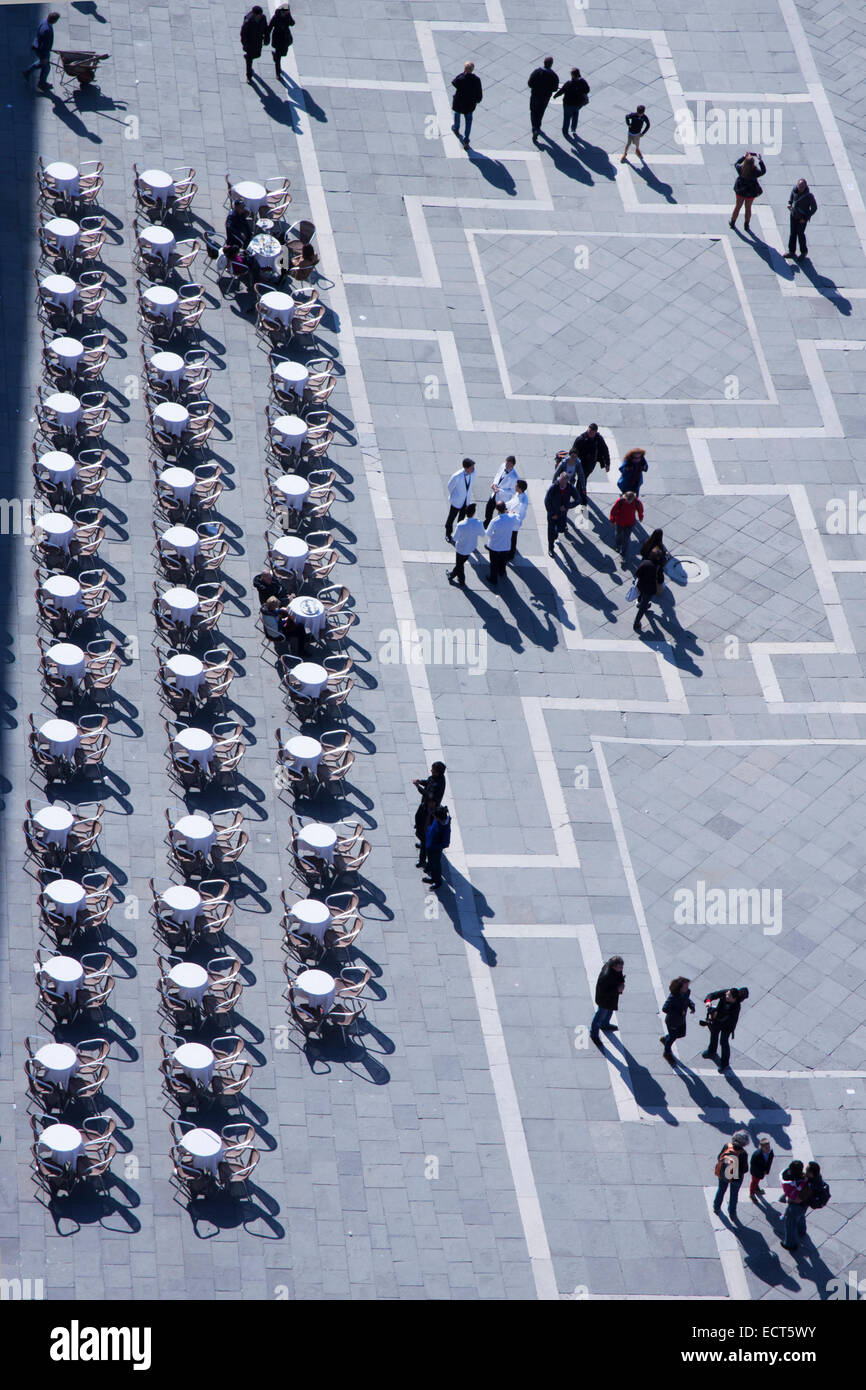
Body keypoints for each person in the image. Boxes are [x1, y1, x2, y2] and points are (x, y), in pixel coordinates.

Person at [701, 987, 748, 1073]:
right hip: (718, 1019)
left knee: (723, 1042)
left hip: (727, 1026)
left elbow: (733, 1021)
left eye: (728, 995)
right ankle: (711, 1051)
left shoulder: (736, 1007)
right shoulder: (726, 993)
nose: (726, 995)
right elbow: (712, 995)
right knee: (714, 1034)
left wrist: (728, 1029)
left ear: (734, 998)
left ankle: (724, 1063)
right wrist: (708, 1001)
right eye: (727, 993)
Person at [414, 762, 446, 866]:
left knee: (424, 833)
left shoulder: (438, 784)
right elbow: (428, 782)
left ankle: (422, 859)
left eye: (433, 770)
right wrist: (421, 782)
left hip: (428, 811)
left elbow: (429, 795)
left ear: (437, 772)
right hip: (425, 806)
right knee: (418, 822)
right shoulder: (435, 778)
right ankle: (423, 843)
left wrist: (418, 786)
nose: (431, 771)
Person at [713, 1131, 749, 1220]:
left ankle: (716, 1207)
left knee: (721, 1190)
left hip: (723, 1173)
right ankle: (732, 1212)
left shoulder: (727, 1146)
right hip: (736, 1178)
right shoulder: (743, 1153)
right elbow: (744, 1169)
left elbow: (719, 1157)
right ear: (744, 1143)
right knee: (734, 1195)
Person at [447, 504, 485, 586]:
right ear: (474, 513)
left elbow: (455, 538)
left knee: (459, 565)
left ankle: (460, 580)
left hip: (461, 548)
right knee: (460, 563)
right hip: (471, 547)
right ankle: (452, 575)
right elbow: (482, 534)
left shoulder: (461, 524)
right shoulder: (478, 523)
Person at [590, 956, 625, 1044]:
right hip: (604, 1000)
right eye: (620, 967)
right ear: (614, 966)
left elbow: (619, 975)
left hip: (610, 998)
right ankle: (594, 1034)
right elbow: (604, 992)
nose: (621, 969)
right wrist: (617, 989)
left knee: (609, 1012)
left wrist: (621, 981)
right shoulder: (606, 976)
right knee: (600, 1016)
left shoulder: (613, 969)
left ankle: (605, 1024)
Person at [660, 976, 695, 1062]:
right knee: (673, 1037)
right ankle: (667, 1052)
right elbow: (665, 1008)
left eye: (688, 986)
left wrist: (691, 1005)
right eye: (685, 986)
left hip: (682, 1020)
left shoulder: (687, 992)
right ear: (680, 988)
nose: (687, 988)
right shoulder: (673, 997)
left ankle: (666, 1038)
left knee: (682, 1034)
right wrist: (678, 1011)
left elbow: (687, 1000)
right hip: (673, 1021)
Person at [730, 151, 766, 232]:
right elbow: (763, 171)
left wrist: (744, 156)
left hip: (740, 191)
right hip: (751, 192)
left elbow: (736, 163)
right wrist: (760, 160)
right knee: (748, 208)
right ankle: (746, 225)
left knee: (738, 206)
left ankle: (732, 222)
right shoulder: (755, 172)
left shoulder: (740, 169)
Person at [23, 11, 60, 89]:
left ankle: (27, 72)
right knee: (46, 68)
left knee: (42, 64)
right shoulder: (47, 30)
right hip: (43, 51)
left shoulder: (44, 22)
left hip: (39, 47)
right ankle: (41, 84)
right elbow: (44, 45)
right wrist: (44, 57)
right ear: (55, 21)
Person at [780, 1160, 811, 1251]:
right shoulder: (804, 1178)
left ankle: (790, 1244)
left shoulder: (788, 1178)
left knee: (790, 1224)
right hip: (804, 1203)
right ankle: (802, 1231)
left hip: (794, 1204)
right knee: (801, 1216)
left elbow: (795, 1191)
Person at [451, 61, 482, 148]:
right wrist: (477, 100)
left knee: (457, 114)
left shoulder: (461, 78)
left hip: (459, 103)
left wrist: (463, 73)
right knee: (468, 122)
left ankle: (456, 128)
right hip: (469, 105)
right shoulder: (476, 80)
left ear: (465, 69)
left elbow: (454, 82)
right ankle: (466, 140)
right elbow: (479, 93)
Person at [785, 178, 817, 261]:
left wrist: (806, 218)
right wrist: (789, 203)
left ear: (805, 186)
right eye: (799, 186)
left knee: (800, 234)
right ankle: (791, 251)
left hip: (802, 218)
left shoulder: (809, 196)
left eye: (802, 186)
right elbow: (791, 198)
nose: (800, 188)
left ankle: (803, 252)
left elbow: (814, 208)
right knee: (792, 234)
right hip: (793, 215)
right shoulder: (794, 190)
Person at [528, 57, 559, 142]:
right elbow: (555, 88)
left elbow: (530, 83)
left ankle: (534, 128)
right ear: (551, 64)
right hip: (545, 97)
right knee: (540, 112)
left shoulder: (537, 72)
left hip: (535, 95)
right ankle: (537, 127)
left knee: (533, 111)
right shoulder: (554, 76)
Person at [609, 491, 643, 567]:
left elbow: (640, 510)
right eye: (627, 501)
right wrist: (612, 520)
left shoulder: (637, 502)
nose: (628, 502)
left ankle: (623, 554)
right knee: (618, 534)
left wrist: (641, 517)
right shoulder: (620, 501)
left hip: (630, 523)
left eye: (629, 501)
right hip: (620, 522)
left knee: (626, 539)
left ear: (633, 499)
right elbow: (613, 511)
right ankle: (618, 545)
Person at [554, 68, 590, 140]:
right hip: (578, 103)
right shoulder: (582, 82)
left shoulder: (569, 83)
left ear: (572, 75)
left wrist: (555, 95)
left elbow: (562, 91)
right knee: (575, 115)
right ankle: (573, 128)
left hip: (568, 103)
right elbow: (587, 90)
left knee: (567, 117)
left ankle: (565, 131)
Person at [544, 474, 575, 557]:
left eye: (563, 482)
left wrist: (567, 506)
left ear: (566, 482)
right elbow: (547, 501)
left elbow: (578, 499)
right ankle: (551, 548)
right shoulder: (553, 487)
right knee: (550, 531)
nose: (560, 483)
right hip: (552, 513)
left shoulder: (570, 487)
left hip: (562, 514)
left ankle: (556, 532)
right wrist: (552, 513)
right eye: (560, 480)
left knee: (561, 529)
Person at [633, 547, 662, 634]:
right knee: (643, 605)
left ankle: (643, 606)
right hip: (649, 589)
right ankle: (636, 623)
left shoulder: (645, 563)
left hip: (641, 585)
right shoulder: (658, 567)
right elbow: (660, 579)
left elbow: (637, 573)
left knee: (642, 597)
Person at [445, 458, 476, 542]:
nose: (473, 469)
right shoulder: (457, 476)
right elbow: (450, 486)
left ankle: (459, 534)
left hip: (466, 501)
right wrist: (455, 495)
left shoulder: (473, 473)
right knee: (451, 518)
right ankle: (448, 534)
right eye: (472, 467)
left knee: (461, 519)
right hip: (457, 501)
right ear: (466, 468)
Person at [484, 456, 520, 526]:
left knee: (500, 515)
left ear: (512, 465)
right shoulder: (503, 465)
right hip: (494, 493)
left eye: (508, 465)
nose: (506, 466)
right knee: (489, 507)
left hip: (503, 498)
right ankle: (487, 523)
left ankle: (497, 527)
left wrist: (500, 490)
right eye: (506, 463)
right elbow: (498, 475)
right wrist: (494, 483)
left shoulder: (514, 477)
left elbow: (513, 491)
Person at [572, 422, 610, 487]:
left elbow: (605, 450)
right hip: (581, 461)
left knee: (583, 477)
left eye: (592, 432)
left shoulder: (598, 439)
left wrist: (607, 463)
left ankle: (580, 492)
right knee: (579, 477)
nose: (590, 434)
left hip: (591, 463)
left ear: (595, 432)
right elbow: (573, 450)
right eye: (589, 431)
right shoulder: (581, 439)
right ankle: (579, 492)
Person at [485, 503, 514, 585]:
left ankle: (493, 579)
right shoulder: (512, 518)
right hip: (506, 545)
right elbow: (515, 516)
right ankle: (501, 572)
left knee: (493, 563)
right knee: (503, 560)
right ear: (505, 508)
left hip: (495, 546)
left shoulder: (495, 521)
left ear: (497, 510)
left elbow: (488, 533)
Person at [422, 805, 451, 889]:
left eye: (435, 816)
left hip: (435, 850)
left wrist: (434, 846)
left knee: (436, 866)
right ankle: (431, 873)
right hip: (430, 845)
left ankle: (437, 881)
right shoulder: (439, 820)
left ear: (439, 818)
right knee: (431, 862)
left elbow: (446, 843)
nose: (433, 816)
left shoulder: (445, 829)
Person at [241, 5, 270, 84]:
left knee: (257, 55)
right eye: (258, 15)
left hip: (258, 41)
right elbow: (243, 33)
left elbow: (266, 29)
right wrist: (245, 44)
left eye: (260, 14)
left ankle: (247, 57)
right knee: (249, 61)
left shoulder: (263, 18)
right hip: (250, 43)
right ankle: (249, 76)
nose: (259, 16)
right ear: (254, 14)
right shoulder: (248, 20)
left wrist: (267, 38)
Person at [268, 3, 295, 78]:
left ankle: (275, 56)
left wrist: (289, 16)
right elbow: (270, 27)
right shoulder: (276, 17)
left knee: (283, 53)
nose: (284, 14)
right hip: (277, 39)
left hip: (285, 39)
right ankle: (278, 73)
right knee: (279, 56)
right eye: (284, 12)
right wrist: (267, 37)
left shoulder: (287, 17)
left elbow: (292, 23)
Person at [507, 479, 529, 559]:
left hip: (514, 522)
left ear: (519, 488)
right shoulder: (517, 494)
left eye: (516, 485)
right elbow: (511, 503)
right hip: (510, 519)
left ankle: (511, 555)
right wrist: (504, 505)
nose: (515, 486)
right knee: (510, 538)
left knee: (512, 539)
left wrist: (509, 513)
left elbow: (520, 515)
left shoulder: (524, 501)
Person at [749, 1135, 774, 1202]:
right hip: (756, 1172)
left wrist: (766, 1171)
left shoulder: (770, 1153)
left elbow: (769, 1162)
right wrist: (759, 1172)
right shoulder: (757, 1154)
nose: (768, 1149)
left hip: (762, 1171)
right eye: (766, 1148)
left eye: (768, 1147)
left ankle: (756, 1189)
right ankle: (752, 1193)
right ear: (762, 1147)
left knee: (757, 1181)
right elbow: (753, 1164)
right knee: (754, 1182)